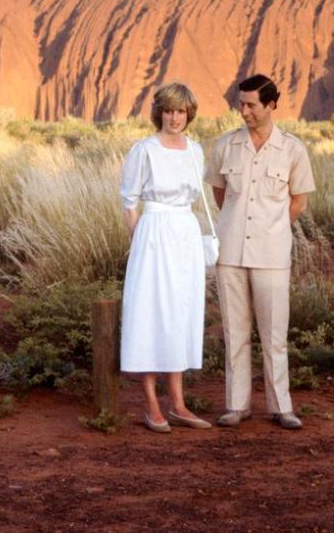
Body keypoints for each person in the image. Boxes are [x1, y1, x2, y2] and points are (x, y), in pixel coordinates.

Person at [204, 74, 316, 430]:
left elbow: (299, 200)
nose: (244, 111)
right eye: (241, 104)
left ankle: (281, 407)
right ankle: (236, 405)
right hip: (231, 252)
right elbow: (220, 195)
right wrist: (238, 224)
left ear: (270, 105)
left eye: (251, 105)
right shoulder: (225, 146)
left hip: (271, 253)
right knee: (235, 332)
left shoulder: (293, 150)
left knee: (273, 333)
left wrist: (271, 225)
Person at [119, 82, 213, 433]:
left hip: (185, 232)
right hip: (154, 232)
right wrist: (141, 241)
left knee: (180, 312)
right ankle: (152, 404)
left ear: (190, 114)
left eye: (181, 111)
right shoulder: (144, 149)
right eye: (169, 111)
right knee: (150, 311)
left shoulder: (195, 150)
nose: (175, 118)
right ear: (159, 112)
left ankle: (179, 403)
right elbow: (129, 202)